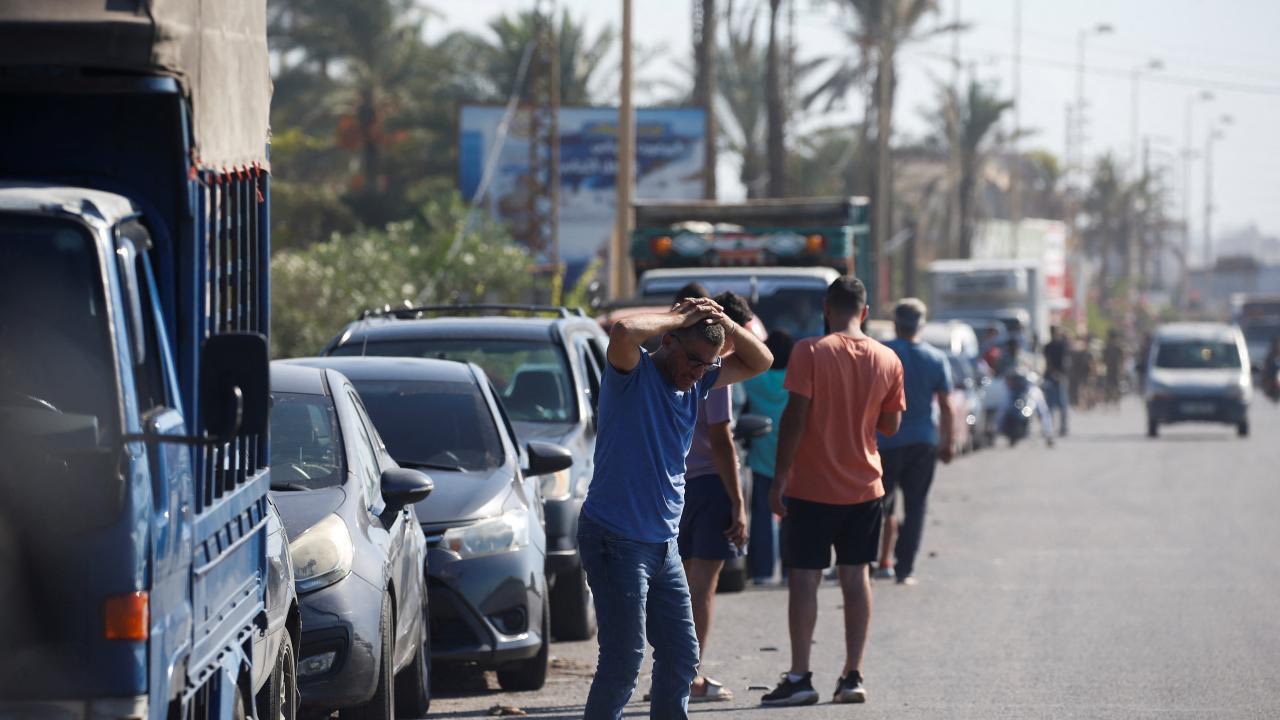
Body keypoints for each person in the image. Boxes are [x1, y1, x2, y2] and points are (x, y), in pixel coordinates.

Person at [578, 295, 772, 720]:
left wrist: (723, 322)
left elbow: (761, 361)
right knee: (623, 663)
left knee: (683, 656)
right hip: (615, 538)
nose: (697, 372)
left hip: (663, 544)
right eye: (692, 360)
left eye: (707, 363)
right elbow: (624, 332)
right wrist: (683, 316)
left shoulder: (698, 382)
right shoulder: (632, 373)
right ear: (668, 341)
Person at [761, 277, 905, 707]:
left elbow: (795, 416)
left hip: (812, 488)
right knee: (856, 575)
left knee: (805, 578)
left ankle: (801, 675)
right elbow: (890, 426)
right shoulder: (888, 358)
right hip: (865, 486)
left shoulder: (810, 351)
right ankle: (852, 675)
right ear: (864, 311)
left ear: (827, 308)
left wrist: (780, 476)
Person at [676, 290, 754, 703]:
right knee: (701, 589)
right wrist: (739, 502)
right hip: (709, 484)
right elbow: (722, 438)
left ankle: (675, 670)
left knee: (681, 588)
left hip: (678, 485)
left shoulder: (675, 362)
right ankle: (689, 676)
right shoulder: (714, 366)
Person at [873, 299, 954, 586]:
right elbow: (946, 406)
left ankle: (869, 560)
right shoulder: (935, 358)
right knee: (916, 505)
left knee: (878, 503)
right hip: (922, 442)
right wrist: (948, 442)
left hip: (884, 441)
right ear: (922, 325)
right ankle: (903, 568)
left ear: (895, 323)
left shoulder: (882, 353)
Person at [741, 330, 795, 584]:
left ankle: (762, 572)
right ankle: (789, 570)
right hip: (793, 459)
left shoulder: (754, 380)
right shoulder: (796, 380)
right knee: (792, 516)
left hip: (762, 457)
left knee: (762, 515)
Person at [997, 369, 1056, 447]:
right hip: (1018, 396)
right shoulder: (1015, 368)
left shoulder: (1034, 384)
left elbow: (1039, 378)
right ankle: (997, 431)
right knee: (1003, 408)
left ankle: (1049, 435)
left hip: (1030, 394)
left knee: (1043, 411)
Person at [1042, 326, 1071, 436]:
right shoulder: (1055, 346)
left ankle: (1056, 428)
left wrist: (1056, 373)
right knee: (1055, 404)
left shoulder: (1055, 345)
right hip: (1056, 376)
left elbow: (1063, 361)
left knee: (1057, 404)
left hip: (1056, 376)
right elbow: (1063, 361)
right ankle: (1053, 428)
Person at [1102, 329, 1125, 406]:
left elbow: (1121, 359)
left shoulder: (1113, 347)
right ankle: (1113, 401)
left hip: (1112, 369)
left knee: (1112, 386)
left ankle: (1113, 401)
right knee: (1112, 386)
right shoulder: (1113, 346)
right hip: (1112, 369)